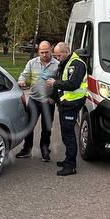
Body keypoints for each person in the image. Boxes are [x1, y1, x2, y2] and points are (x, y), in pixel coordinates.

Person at [46, 42, 89, 176]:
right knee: (65, 133)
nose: (57, 58)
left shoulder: (77, 64)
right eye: (56, 56)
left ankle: (71, 166)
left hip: (72, 104)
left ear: (66, 52)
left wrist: (55, 83)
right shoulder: (65, 63)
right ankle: (67, 160)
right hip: (65, 103)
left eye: (59, 55)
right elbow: (60, 80)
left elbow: (72, 84)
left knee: (69, 135)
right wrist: (53, 97)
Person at [15, 41, 60, 162]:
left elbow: (60, 84)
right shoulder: (32, 63)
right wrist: (21, 81)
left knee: (47, 128)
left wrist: (54, 98)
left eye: (47, 52)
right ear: (38, 51)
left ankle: (45, 149)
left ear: (51, 50)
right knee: (29, 126)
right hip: (34, 100)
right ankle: (27, 149)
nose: (44, 54)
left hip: (48, 101)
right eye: (42, 52)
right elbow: (23, 75)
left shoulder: (57, 65)